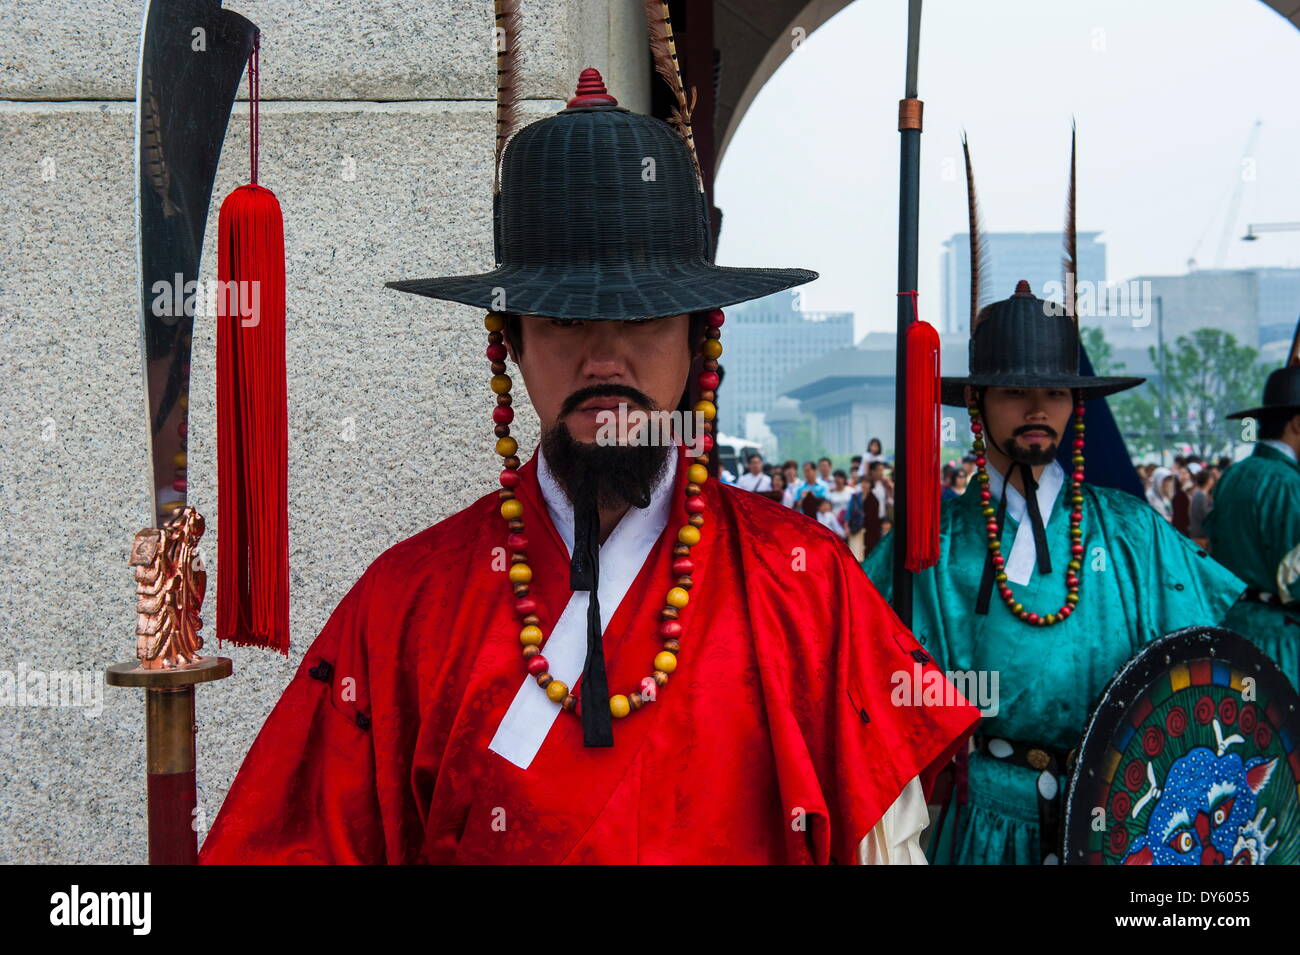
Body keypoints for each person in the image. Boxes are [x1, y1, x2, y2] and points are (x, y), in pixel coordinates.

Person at [198, 68, 976, 865]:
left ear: (701, 337)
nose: (605, 356)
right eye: (566, 318)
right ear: (511, 342)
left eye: (642, 316)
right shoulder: (408, 603)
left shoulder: (805, 584)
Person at [862, 273, 1245, 864]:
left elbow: (1201, 668)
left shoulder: (1131, 532)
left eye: (1057, 392)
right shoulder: (930, 543)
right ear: (977, 401)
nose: (1039, 408)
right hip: (983, 821)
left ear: (1077, 405)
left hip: (1118, 820)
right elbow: (872, 697)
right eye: (1016, 392)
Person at [1204, 355, 1300, 690]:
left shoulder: (1233, 475)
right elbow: (1296, 579)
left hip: (1232, 633)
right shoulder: (1289, 484)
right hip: (1282, 642)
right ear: (1297, 423)